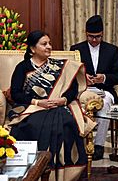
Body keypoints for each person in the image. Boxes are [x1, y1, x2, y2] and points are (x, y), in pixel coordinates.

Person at [8, 30, 96, 181]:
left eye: (49, 43)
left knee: (66, 125)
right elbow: (16, 93)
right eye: (44, 44)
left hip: (59, 107)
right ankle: (35, 171)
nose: (49, 46)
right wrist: (38, 102)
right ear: (32, 48)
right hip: (33, 108)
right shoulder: (23, 67)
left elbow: (73, 89)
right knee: (33, 126)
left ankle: (63, 175)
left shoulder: (60, 66)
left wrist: (64, 100)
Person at [70, 15, 118, 160]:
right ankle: (81, 143)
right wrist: (83, 78)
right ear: (86, 34)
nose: (94, 40)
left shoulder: (112, 50)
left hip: (105, 90)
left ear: (102, 34)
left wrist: (103, 78)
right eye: (91, 37)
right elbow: (70, 75)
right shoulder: (76, 49)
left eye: (97, 37)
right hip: (83, 90)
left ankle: (98, 146)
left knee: (104, 105)